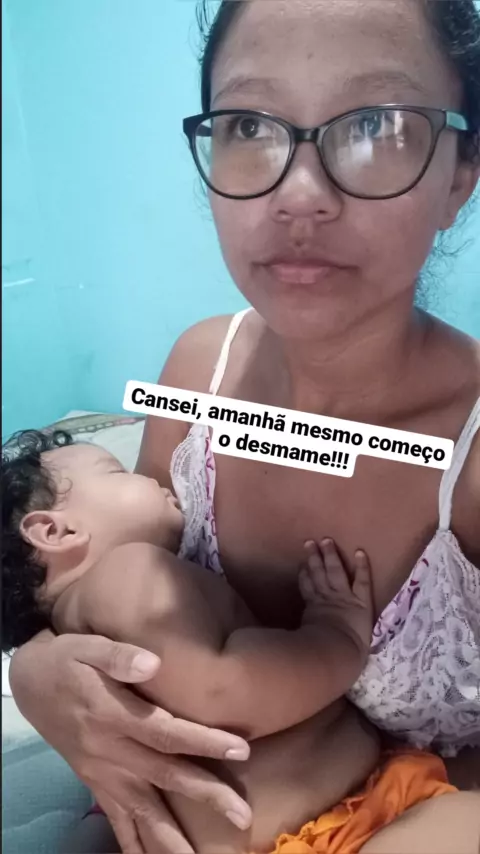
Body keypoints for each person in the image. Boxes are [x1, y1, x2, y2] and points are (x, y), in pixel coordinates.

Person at [9, 0, 480, 851]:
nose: (299, 194)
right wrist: (40, 674)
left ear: (460, 175)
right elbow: (100, 579)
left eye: (374, 123)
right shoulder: (199, 373)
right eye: (250, 125)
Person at [1, 432, 476, 854]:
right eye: (117, 471)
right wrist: (337, 636)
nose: (150, 478)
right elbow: (220, 693)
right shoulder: (125, 575)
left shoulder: (71, 633)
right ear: (56, 531)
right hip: (336, 823)